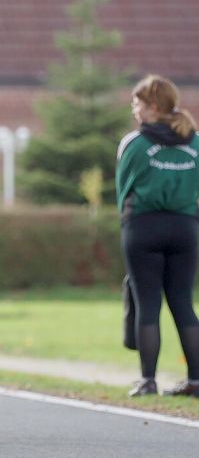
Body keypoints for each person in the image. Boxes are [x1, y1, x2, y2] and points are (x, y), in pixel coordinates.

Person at [117, 74, 199, 399]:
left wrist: (126, 227)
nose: (133, 110)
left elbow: (123, 191)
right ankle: (196, 381)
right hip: (186, 227)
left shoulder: (135, 143)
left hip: (143, 228)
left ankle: (148, 380)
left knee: (147, 303)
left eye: (136, 104)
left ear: (152, 107)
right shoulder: (195, 142)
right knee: (182, 302)